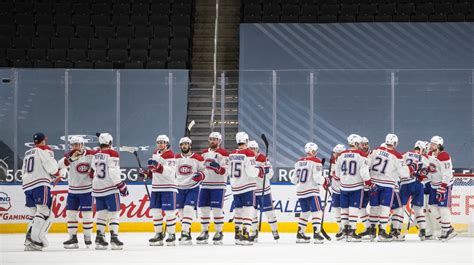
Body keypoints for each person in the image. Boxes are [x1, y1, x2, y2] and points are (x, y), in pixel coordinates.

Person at [22, 132, 61, 251]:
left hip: (27, 186)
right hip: (39, 184)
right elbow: (51, 167)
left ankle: (28, 240)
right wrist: (57, 173)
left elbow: (25, 169)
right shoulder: (43, 150)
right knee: (44, 211)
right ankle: (34, 240)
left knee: (34, 213)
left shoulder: (27, 153)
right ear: (43, 140)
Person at [368, 133, 410, 242]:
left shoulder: (376, 150)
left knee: (374, 207)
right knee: (385, 208)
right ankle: (382, 232)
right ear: (395, 143)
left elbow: (366, 164)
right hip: (387, 185)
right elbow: (404, 174)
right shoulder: (397, 155)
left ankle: (372, 231)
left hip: (374, 183)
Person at [90, 133, 129, 250]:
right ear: (110, 143)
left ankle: (99, 238)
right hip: (110, 187)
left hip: (97, 187)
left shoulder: (96, 154)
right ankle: (114, 238)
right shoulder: (113, 153)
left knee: (101, 213)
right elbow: (113, 172)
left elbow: (92, 171)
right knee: (114, 213)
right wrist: (121, 186)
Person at [228, 132, 265, 245]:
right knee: (248, 210)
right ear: (247, 140)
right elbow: (251, 171)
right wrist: (260, 171)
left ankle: (237, 234)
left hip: (235, 186)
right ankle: (246, 234)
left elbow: (229, 171)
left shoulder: (232, 154)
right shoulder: (249, 153)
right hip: (247, 186)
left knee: (238, 210)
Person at [58, 136, 95, 249]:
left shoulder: (90, 154)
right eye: (73, 145)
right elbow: (60, 165)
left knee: (87, 215)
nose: (75, 147)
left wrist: (93, 171)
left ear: (82, 144)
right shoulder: (68, 155)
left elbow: (98, 163)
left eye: (78, 144)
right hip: (72, 191)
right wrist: (69, 161)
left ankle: (87, 238)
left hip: (87, 190)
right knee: (71, 215)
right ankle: (72, 238)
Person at [140, 135, 177, 246]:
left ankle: (171, 235)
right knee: (156, 212)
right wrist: (147, 174)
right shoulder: (155, 153)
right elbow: (154, 170)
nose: (160, 144)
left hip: (168, 186)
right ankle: (158, 234)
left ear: (167, 144)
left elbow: (170, 171)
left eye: (163, 142)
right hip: (156, 187)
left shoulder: (170, 154)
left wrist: (158, 166)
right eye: (159, 142)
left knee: (170, 212)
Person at [336, 134, 371, 242]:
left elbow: (337, 173)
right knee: (354, 208)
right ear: (356, 143)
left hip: (343, 186)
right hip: (356, 186)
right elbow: (363, 171)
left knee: (344, 209)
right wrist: (368, 181)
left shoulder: (341, 155)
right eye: (359, 143)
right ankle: (352, 231)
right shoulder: (361, 154)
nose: (360, 145)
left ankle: (345, 230)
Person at [291, 142, 328, 244]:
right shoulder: (316, 161)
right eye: (315, 151)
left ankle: (300, 234)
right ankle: (316, 234)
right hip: (311, 191)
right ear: (313, 151)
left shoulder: (298, 162)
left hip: (300, 191)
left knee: (305, 212)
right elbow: (317, 178)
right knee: (317, 211)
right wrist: (325, 180)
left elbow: (293, 180)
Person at [197, 132, 229, 245]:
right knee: (204, 209)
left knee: (216, 209)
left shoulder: (223, 153)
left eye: (215, 139)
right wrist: (199, 174)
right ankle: (204, 231)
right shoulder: (204, 153)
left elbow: (227, 170)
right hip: (205, 184)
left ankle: (219, 232)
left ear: (219, 141)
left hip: (219, 185)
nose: (212, 141)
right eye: (211, 139)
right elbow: (201, 167)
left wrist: (219, 168)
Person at [174, 137, 205, 245]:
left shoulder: (198, 158)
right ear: (180, 146)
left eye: (186, 144)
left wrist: (201, 175)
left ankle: (185, 232)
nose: (184, 146)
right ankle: (187, 230)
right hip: (180, 187)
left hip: (193, 187)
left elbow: (204, 171)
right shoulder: (176, 158)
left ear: (190, 145)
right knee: (181, 211)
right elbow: (170, 172)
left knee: (188, 208)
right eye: (182, 144)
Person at [427, 136, 456, 242]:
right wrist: (425, 172)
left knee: (443, 207)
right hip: (434, 184)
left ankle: (446, 230)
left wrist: (443, 187)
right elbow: (432, 168)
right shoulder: (430, 154)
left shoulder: (444, 156)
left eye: (433, 144)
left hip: (445, 184)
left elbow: (447, 173)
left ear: (439, 145)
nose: (431, 146)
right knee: (432, 207)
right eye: (431, 144)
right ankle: (449, 228)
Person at [249, 140, 279, 242]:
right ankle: (254, 232)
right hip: (252, 190)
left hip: (264, 190)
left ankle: (274, 230)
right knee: (252, 214)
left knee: (270, 212)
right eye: (250, 149)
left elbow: (270, 173)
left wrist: (266, 171)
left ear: (257, 149)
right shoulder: (247, 159)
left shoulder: (263, 159)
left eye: (254, 149)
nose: (252, 151)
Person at [329, 144, 346, 240]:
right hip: (335, 189)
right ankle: (341, 227)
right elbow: (332, 174)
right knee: (336, 208)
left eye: (336, 153)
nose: (334, 155)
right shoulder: (333, 162)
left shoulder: (345, 162)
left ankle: (347, 228)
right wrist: (327, 180)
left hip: (345, 189)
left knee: (345, 209)